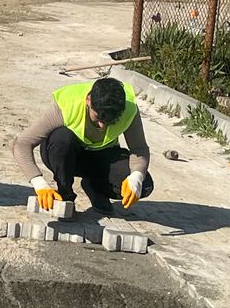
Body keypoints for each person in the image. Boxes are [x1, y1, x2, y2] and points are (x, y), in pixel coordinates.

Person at [13, 76, 152, 217]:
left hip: (101, 158)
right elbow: (22, 144)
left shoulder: (128, 109)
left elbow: (139, 149)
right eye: (98, 118)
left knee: (145, 185)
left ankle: (95, 188)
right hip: (65, 155)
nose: (102, 126)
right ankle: (65, 196)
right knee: (61, 138)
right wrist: (39, 183)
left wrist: (136, 176)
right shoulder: (68, 104)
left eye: (110, 121)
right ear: (88, 100)